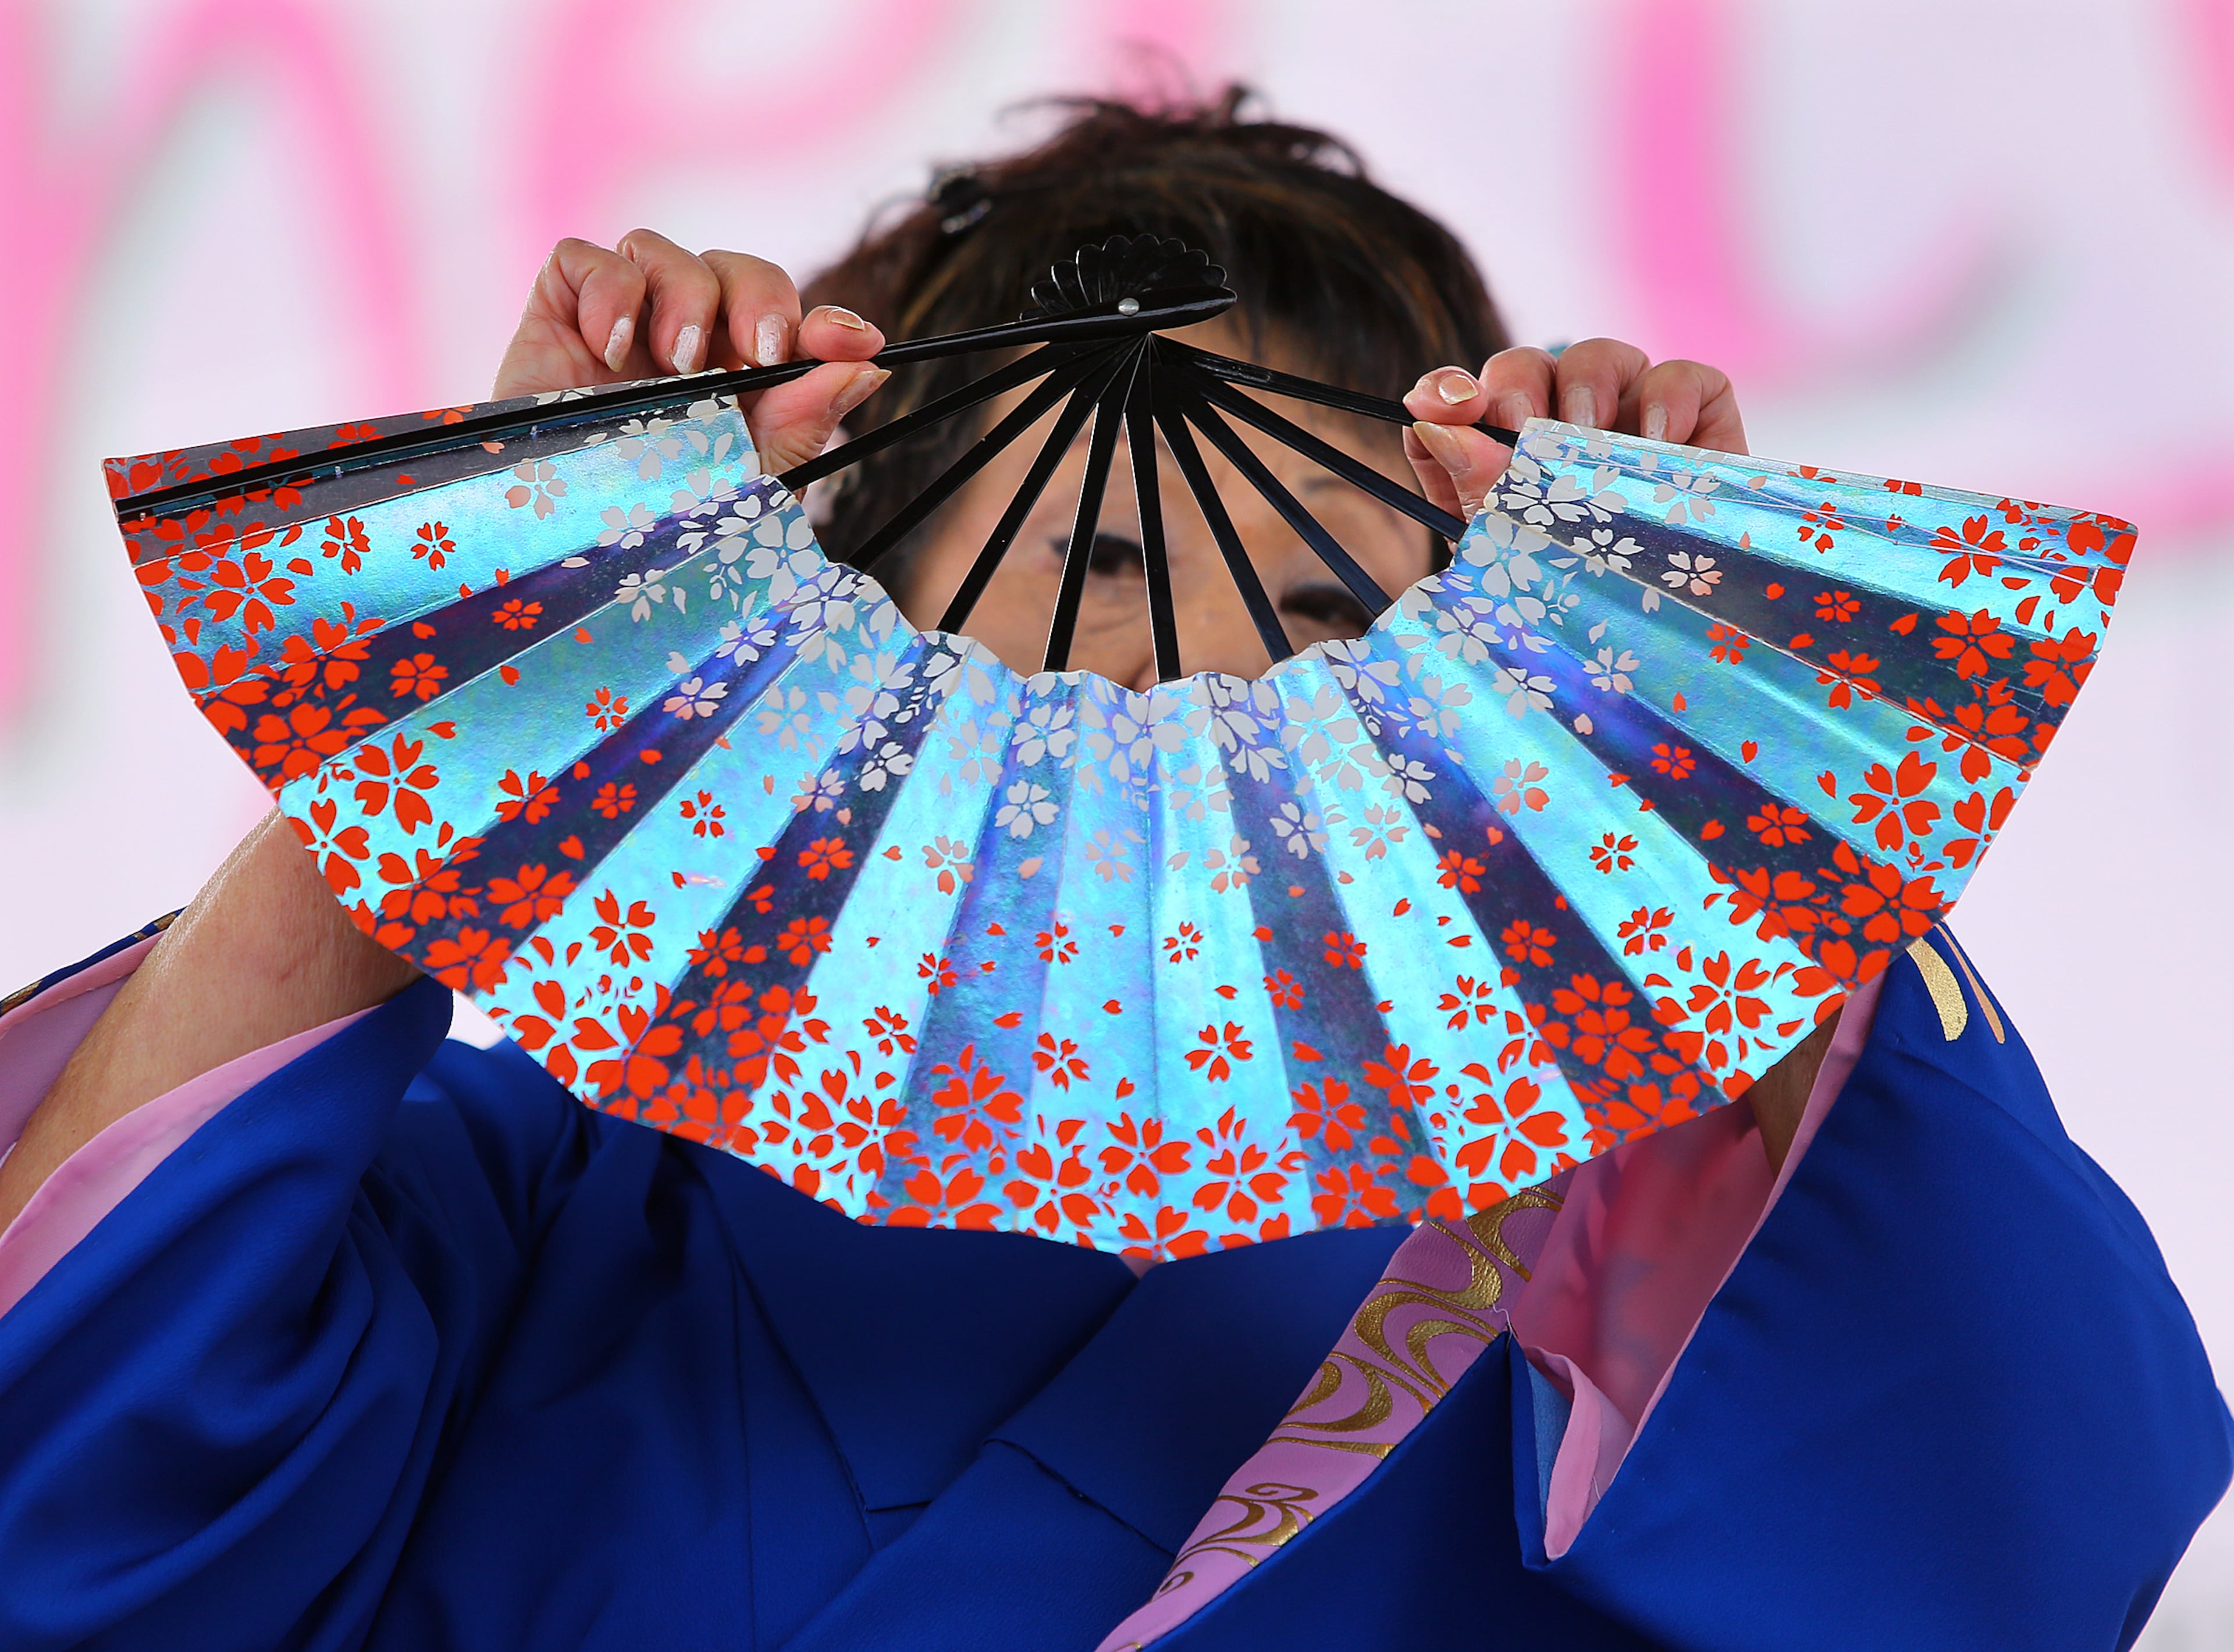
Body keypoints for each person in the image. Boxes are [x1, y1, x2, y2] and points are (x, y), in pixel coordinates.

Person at [0, 90, 2224, 1651]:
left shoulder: (1591, 1250)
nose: (1210, 697)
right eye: (1094, 579)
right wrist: (497, 659)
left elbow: (1984, 1532)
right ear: (821, 624)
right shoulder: (559, 1172)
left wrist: (1700, 757)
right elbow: (62, 1502)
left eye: (1344, 636)